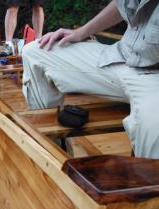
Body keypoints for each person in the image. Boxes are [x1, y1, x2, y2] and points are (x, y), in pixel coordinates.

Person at [22, 0, 159, 158]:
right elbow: (124, 3)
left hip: (153, 76)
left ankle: (145, 181)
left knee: (154, 127)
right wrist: (81, 33)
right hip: (121, 56)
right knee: (34, 52)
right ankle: (53, 150)